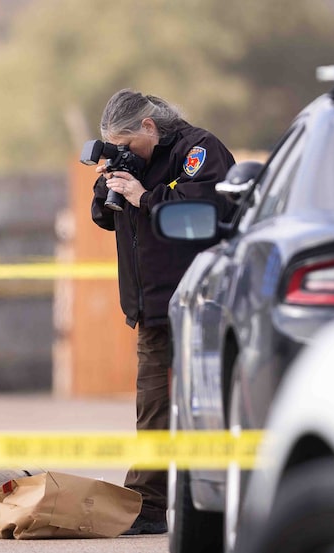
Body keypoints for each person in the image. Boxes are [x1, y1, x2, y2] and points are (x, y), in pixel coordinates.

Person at [90, 89, 235, 535]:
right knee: (153, 408)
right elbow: (104, 217)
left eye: (128, 144)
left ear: (149, 127)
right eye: (116, 147)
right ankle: (150, 508)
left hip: (200, 304)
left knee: (216, 407)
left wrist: (144, 196)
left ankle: (222, 502)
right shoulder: (131, 161)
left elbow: (210, 206)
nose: (124, 153)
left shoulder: (198, 150)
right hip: (151, 307)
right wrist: (108, 181)